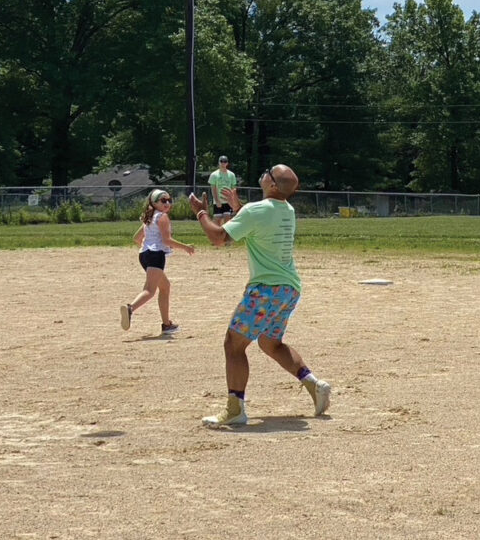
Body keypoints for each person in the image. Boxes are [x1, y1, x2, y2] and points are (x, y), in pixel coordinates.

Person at [188, 163, 331, 426]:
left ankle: (235, 409)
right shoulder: (286, 209)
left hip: (266, 289)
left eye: (268, 172)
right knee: (270, 343)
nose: (263, 173)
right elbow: (259, 221)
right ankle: (314, 384)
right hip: (289, 288)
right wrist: (238, 207)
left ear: (273, 185)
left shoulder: (256, 210)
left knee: (234, 344)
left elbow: (218, 238)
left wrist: (200, 213)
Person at [121, 190, 195, 335]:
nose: (167, 203)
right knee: (149, 290)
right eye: (163, 200)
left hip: (144, 254)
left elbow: (137, 238)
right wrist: (186, 247)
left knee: (165, 287)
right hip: (155, 255)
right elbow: (166, 240)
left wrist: (148, 248)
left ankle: (167, 325)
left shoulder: (149, 217)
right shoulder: (162, 216)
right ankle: (130, 308)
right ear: (154, 203)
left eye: (169, 200)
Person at [208, 155, 238, 223]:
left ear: (227, 163)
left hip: (228, 202)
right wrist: (217, 200)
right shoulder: (214, 175)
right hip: (218, 201)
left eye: (225, 161)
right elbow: (213, 189)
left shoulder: (231, 175)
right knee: (217, 220)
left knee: (227, 221)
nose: (223, 163)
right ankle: (216, 233)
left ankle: (225, 234)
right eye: (221, 161)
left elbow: (233, 190)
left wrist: (233, 202)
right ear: (219, 162)